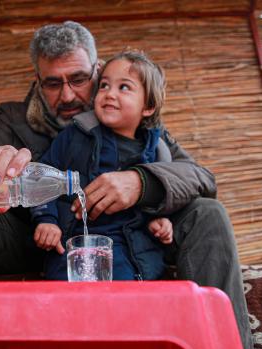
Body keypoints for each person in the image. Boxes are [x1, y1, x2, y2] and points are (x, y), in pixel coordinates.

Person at [0, 21, 254, 349]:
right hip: (35, 238)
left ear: (97, 71)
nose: (67, 95)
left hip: (133, 237)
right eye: (53, 83)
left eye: (78, 79)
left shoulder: (139, 123)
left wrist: (142, 182)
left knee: (208, 212)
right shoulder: (12, 119)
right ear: (37, 82)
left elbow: (200, 177)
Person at [31, 50, 173, 281]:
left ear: (148, 106)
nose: (109, 94)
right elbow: (42, 177)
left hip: (132, 253)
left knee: (123, 304)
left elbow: (163, 199)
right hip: (74, 248)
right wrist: (47, 220)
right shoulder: (75, 137)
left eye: (124, 87)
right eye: (104, 85)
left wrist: (160, 221)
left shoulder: (158, 151)